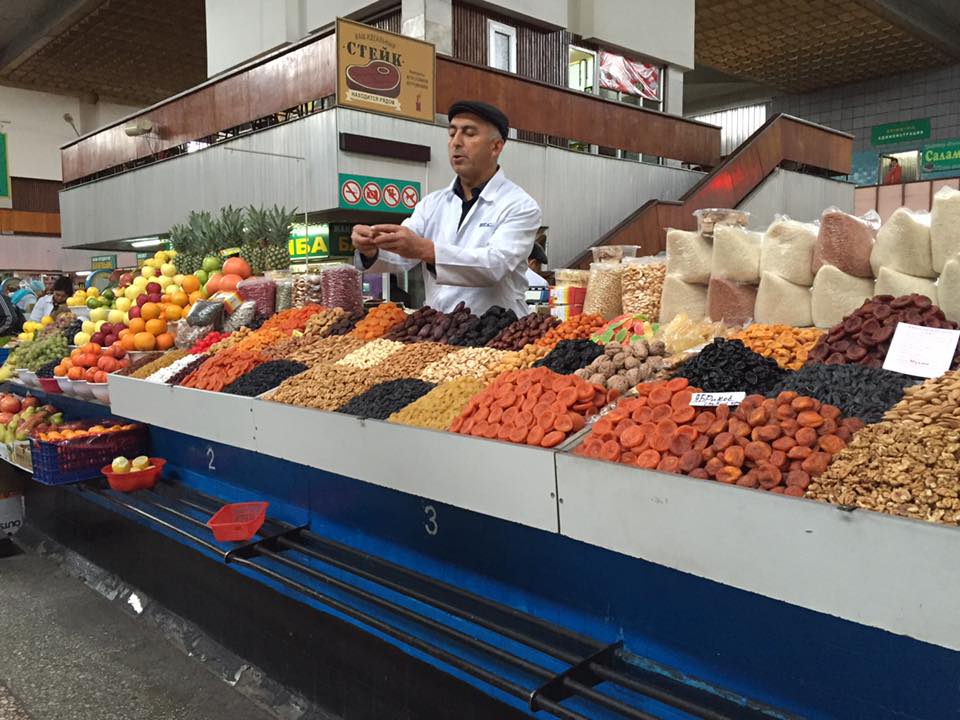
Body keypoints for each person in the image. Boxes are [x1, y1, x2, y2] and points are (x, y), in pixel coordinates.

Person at [351, 100, 542, 317]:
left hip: (499, 333)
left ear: (496, 146)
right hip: (439, 331)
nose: (456, 142)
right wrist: (371, 249)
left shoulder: (519, 205)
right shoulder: (432, 204)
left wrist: (426, 249)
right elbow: (402, 257)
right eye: (451, 134)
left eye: (469, 133)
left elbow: (494, 265)